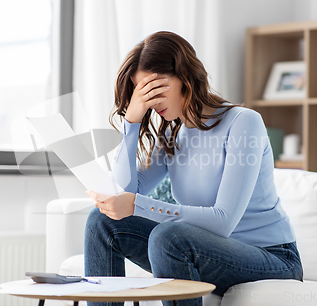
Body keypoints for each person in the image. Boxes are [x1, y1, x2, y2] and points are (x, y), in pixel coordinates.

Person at [85, 31, 303, 306]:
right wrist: (132, 122)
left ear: (184, 77)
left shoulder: (244, 123)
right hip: (205, 252)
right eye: (143, 94)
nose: (151, 101)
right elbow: (123, 194)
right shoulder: (172, 135)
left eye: (155, 89)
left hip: (272, 258)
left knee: (169, 236)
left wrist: (137, 204)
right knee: (101, 221)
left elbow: (223, 222)